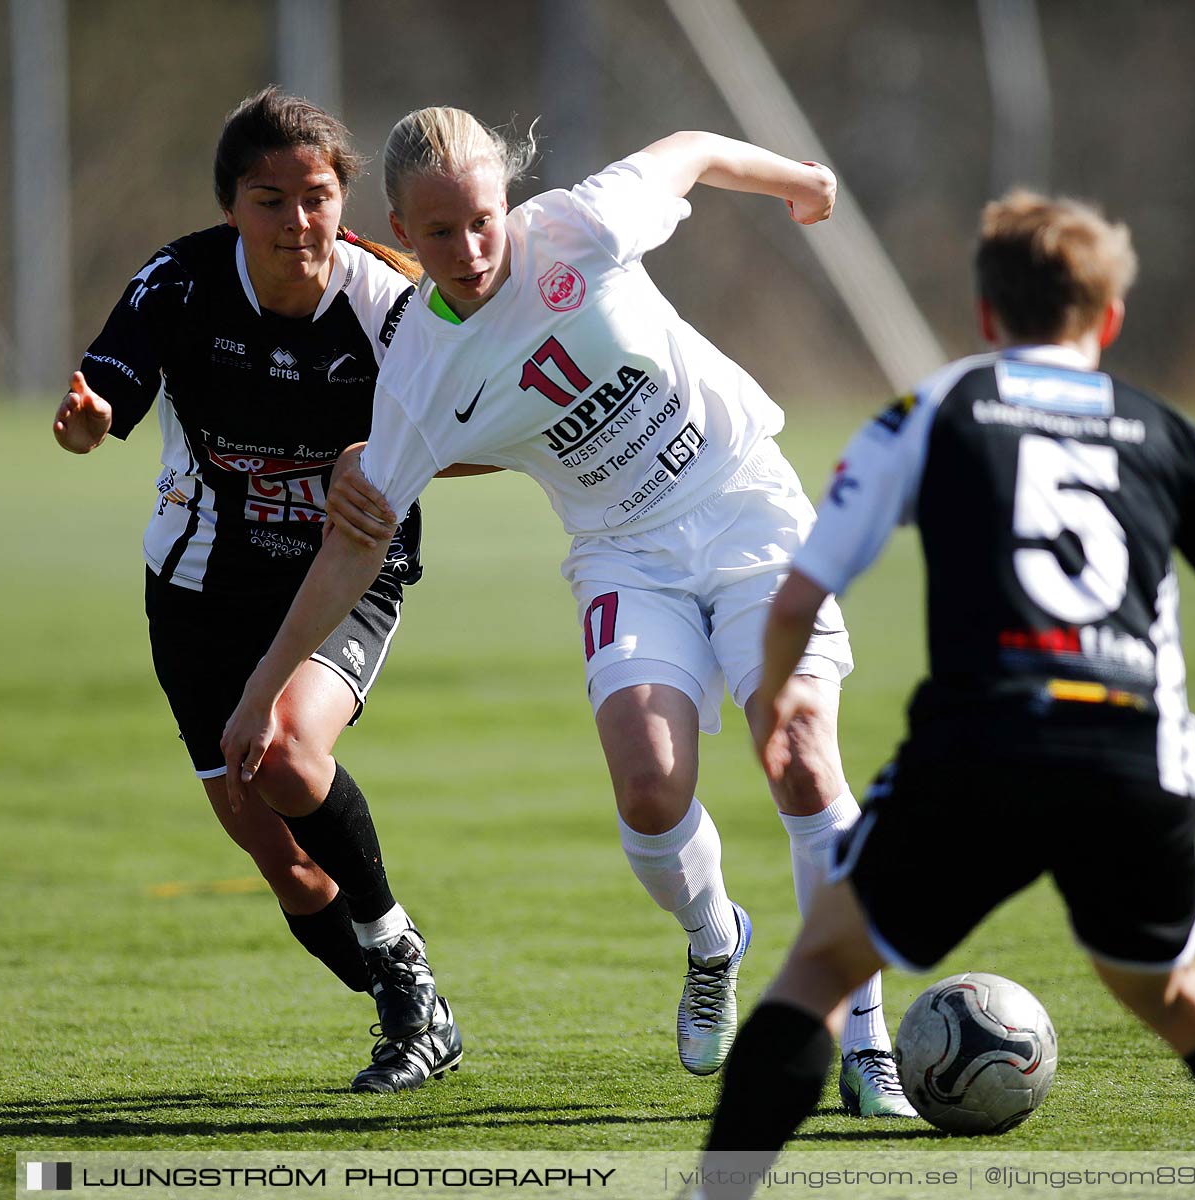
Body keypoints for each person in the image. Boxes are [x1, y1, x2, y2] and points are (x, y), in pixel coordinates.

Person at [693, 190, 1195, 1200]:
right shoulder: (1171, 433)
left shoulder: (938, 407)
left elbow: (801, 591)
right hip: (1133, 757)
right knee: (1168, 989)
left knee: (821, 967)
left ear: (987, 315)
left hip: (982, 743)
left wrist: (793, 698)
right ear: (1109, 318)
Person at [221, 108, 912, 1115]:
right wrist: (262, 689)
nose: (470, 249)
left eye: (484, 218)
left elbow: (692, 151)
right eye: (441, 231)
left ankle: (866, 1044)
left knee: (802, 756)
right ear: (401, 232)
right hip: (625, 557)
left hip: (747, 511)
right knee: (648, 792)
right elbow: (354, 544)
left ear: (510, 200)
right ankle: (716, 939)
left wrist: (800, 181)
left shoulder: (579, 228)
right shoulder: (418, 367)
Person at [51, 87, 463, 1094]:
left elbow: (487, 433)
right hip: (196, 586)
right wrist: (91, 416)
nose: (297, 220)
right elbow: (111, 385)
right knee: (285, 864)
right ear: (232, 207)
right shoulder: (181, 282)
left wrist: (380, 460)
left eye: (315, 195)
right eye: (269, 200)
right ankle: (409, 1006)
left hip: (345, 577)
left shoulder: (392, 303)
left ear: (344, 199)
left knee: (282, 748)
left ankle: (409, 984)